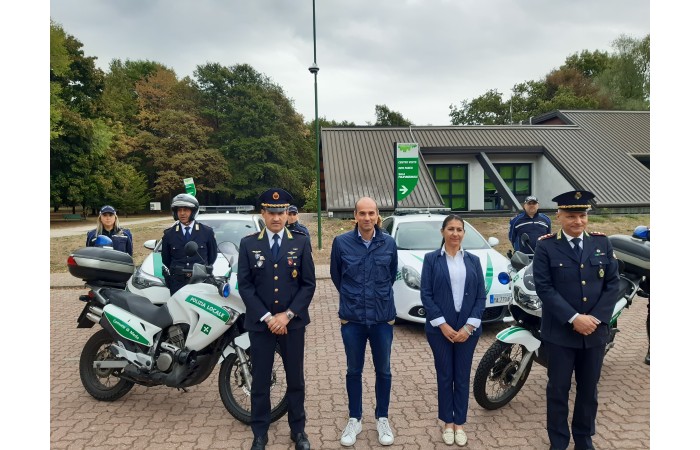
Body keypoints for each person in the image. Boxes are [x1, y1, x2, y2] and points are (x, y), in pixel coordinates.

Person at [532, 190, 620, 450]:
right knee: (558, 390)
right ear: (559, 216)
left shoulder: (602, 243)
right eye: (571, 216)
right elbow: (544, 288)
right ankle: (558, 442)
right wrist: (573, 318)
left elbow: (612, 285)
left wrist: (594, 318)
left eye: (582, 215)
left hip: (594, 332)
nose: (578, 221)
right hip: (560, 333)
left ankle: (583, 439)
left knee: (588, 390)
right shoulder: (546, 246)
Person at [237, 188, 316, 450]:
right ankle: (260, 432)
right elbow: (245, 285)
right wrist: (268, 317)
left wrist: (287, 315)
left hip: (292, 324)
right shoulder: (249, 244)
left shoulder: (300, 242)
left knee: (296, 379)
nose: (276, 217)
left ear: (287, 214)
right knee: (260, 380)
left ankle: (298, 431)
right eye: (271, 212)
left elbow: (308, 284)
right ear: (263, 213)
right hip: (261, 325)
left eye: (281, 212)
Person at [330, 197, 398, 447]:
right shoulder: (341, 243)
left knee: (384, 371)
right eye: (362, 213)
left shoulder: (389, 243)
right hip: (353, 319)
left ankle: (382, 418)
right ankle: (355, 418)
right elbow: (336, 276)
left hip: (382, 318)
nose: (367, 218)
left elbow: (391, 275)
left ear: (378, 215)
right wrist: (353, 298)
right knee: (353, 371)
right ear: (355, 215)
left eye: (371, 213)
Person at [420, 214, 485, 447]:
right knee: (445, 375)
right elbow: (426, 295)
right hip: (440, 331)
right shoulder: (431, 259)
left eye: (459, 229)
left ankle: (460, 423)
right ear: (443, 232)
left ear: (464, 233)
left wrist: (468, 327)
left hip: (468, 331)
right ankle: (448, 422)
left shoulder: (474, 260)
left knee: (462, 376)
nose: (455, 233)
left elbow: (480, 296)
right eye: (451, 229)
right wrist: (443, 325)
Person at [160, 193, 217, 295]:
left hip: (200, 281)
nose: (182, 213)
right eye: (179, 210)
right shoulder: (169, 234)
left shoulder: (207, 232)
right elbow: (166, 259)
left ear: (193, 211)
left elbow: (212, 257)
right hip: (178, 282)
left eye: (185, 210)